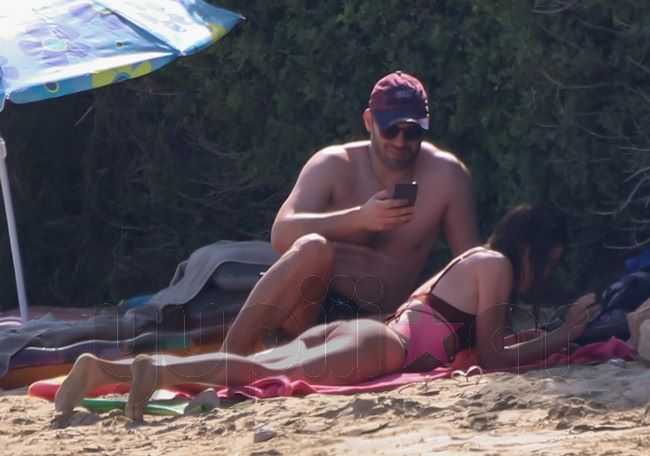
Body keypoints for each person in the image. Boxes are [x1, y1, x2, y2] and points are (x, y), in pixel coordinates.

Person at [54, 204, 598, 421]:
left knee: (263, 366)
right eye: (548, 262)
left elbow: (486, 346)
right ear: (532, 250)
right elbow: (497, 358)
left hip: (368, 332)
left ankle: (105, 371)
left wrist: (545, 334)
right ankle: (152, 373)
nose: (543, 274)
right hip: (387, 346)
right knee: (259, 370)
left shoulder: (474, 259)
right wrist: (566, 333)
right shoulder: (497, 265)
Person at [220, 71, 480, 355]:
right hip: (307, 311)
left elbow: (472, 266)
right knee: (313, 248)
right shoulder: (334, 164)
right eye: (391, 130)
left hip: (375, 322)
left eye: (412, 132)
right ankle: (227, 358)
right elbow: (281, 233)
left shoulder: (447, 177)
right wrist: (359, 218)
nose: (400, 142)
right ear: (369, 121)